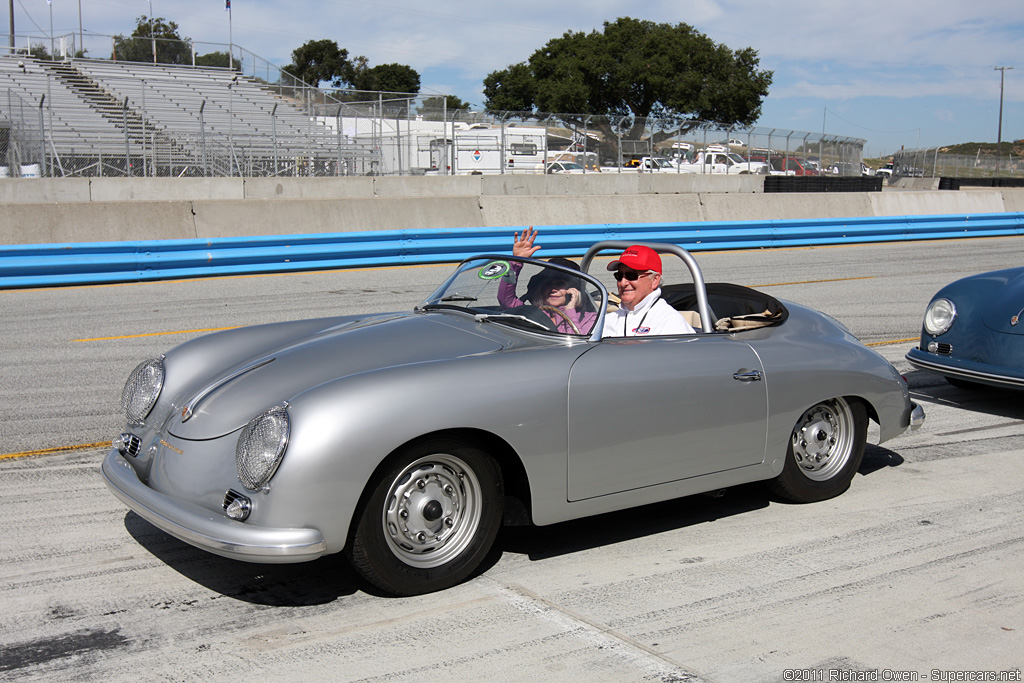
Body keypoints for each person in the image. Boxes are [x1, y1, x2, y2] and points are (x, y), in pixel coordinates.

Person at [498, 227, 597, 335]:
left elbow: (579, 345)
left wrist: (570, 310)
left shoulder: (590, 318)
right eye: (548, 283)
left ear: (573, 289)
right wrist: (516, 261)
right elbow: (506, 300)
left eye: (560, 284)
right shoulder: (532, 313)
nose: (553, 289)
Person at [603, 244, 695, 337]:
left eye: (631, 275)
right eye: (619, 276)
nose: (623, 283)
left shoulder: (670, 321)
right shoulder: (607, 321)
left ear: (655, 280)